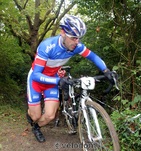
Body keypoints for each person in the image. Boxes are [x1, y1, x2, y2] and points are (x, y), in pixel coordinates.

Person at [26, 14, 116, 142]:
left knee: (50, 115)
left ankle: (36, 127)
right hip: (36, 80)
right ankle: (32, 114)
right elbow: (36, 74)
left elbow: (93, 57)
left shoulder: (76, 46)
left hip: (53, 79)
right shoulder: (47, 46)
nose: (77, 42)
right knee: (35, 115)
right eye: (73, 38)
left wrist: (106, 70)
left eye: (79, 38)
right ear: (63, 33)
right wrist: (58, 80)